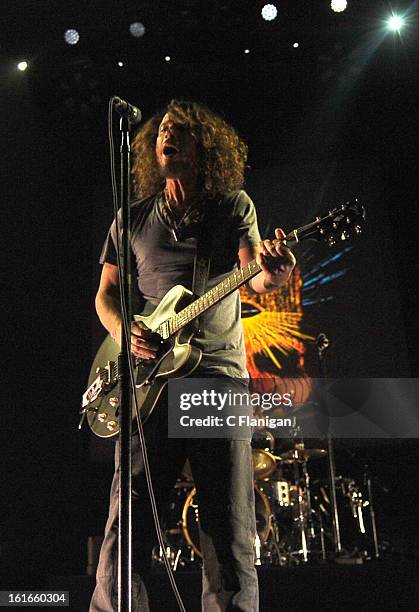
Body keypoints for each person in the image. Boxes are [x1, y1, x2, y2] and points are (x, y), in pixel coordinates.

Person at [90, 100, 296, 612]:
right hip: (147, 378)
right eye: (162, 129)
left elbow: (260, 276)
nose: (168, 135)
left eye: (180, 130)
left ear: (204, 146)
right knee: (128, 518)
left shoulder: (232, 207)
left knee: (225, 524)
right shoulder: (132, 216)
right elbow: (106, 296)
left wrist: (277, 270)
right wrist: (127, 327)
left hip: (216, 376)